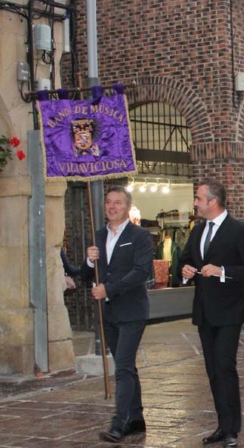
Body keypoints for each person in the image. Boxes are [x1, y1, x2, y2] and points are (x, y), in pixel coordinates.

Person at [179, 180, 244, 448]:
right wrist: (185, 270)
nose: (195, 203)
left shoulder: (240, 230)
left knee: (225, 366)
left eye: (198, 198)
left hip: (230, 310)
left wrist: (223, 271)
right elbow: (184, 260)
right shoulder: (197, 230)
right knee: (212, 369)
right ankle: (221, 424)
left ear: (212, 201)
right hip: (204, 310)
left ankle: (232, 429)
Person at [81, 186, 154, 443]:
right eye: (109, 203)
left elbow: (141, 272)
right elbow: (87, 275)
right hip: (108, 313)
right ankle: (136, 418)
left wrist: (108, 289)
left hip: (132, 311)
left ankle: (119, 422)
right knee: (127, 366)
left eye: (118, 203)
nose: (112, 207)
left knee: (122, 367)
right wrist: (90, 262)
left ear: (127, 207)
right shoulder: (98, 235)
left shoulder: (140, 236)